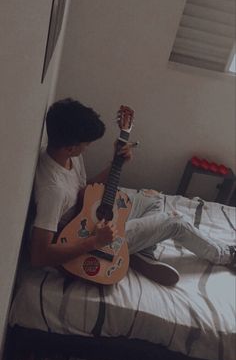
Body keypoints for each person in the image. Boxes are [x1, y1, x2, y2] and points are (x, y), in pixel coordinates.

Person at [30, 98, 236, 286]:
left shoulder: (67, 156)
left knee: (153, 198)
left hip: (89, 216)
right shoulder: (53, 190)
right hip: (87, 236)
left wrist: (115, 164)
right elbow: (39, 255)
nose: (88, 148)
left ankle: (137, 251)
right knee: (176, 221)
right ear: (70, 147)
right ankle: (227, 255)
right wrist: (96, 241)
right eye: (86, 144)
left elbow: (82, 192)